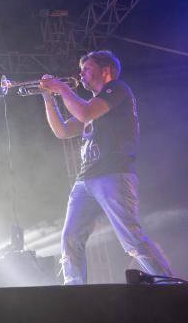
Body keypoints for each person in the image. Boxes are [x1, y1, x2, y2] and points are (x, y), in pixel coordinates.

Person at [39, 50, 171, 285]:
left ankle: (169, 285)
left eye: (87, 69)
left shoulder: (117, 90)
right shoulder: (90, 103)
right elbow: (63, 131)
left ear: (106, 71)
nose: (81, 74)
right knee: (70, 237)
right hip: (85, 178)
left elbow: (85, 112)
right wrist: (48, 98)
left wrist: (62, 89)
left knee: (131, 238)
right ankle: (73, 288)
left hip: (114, 174)